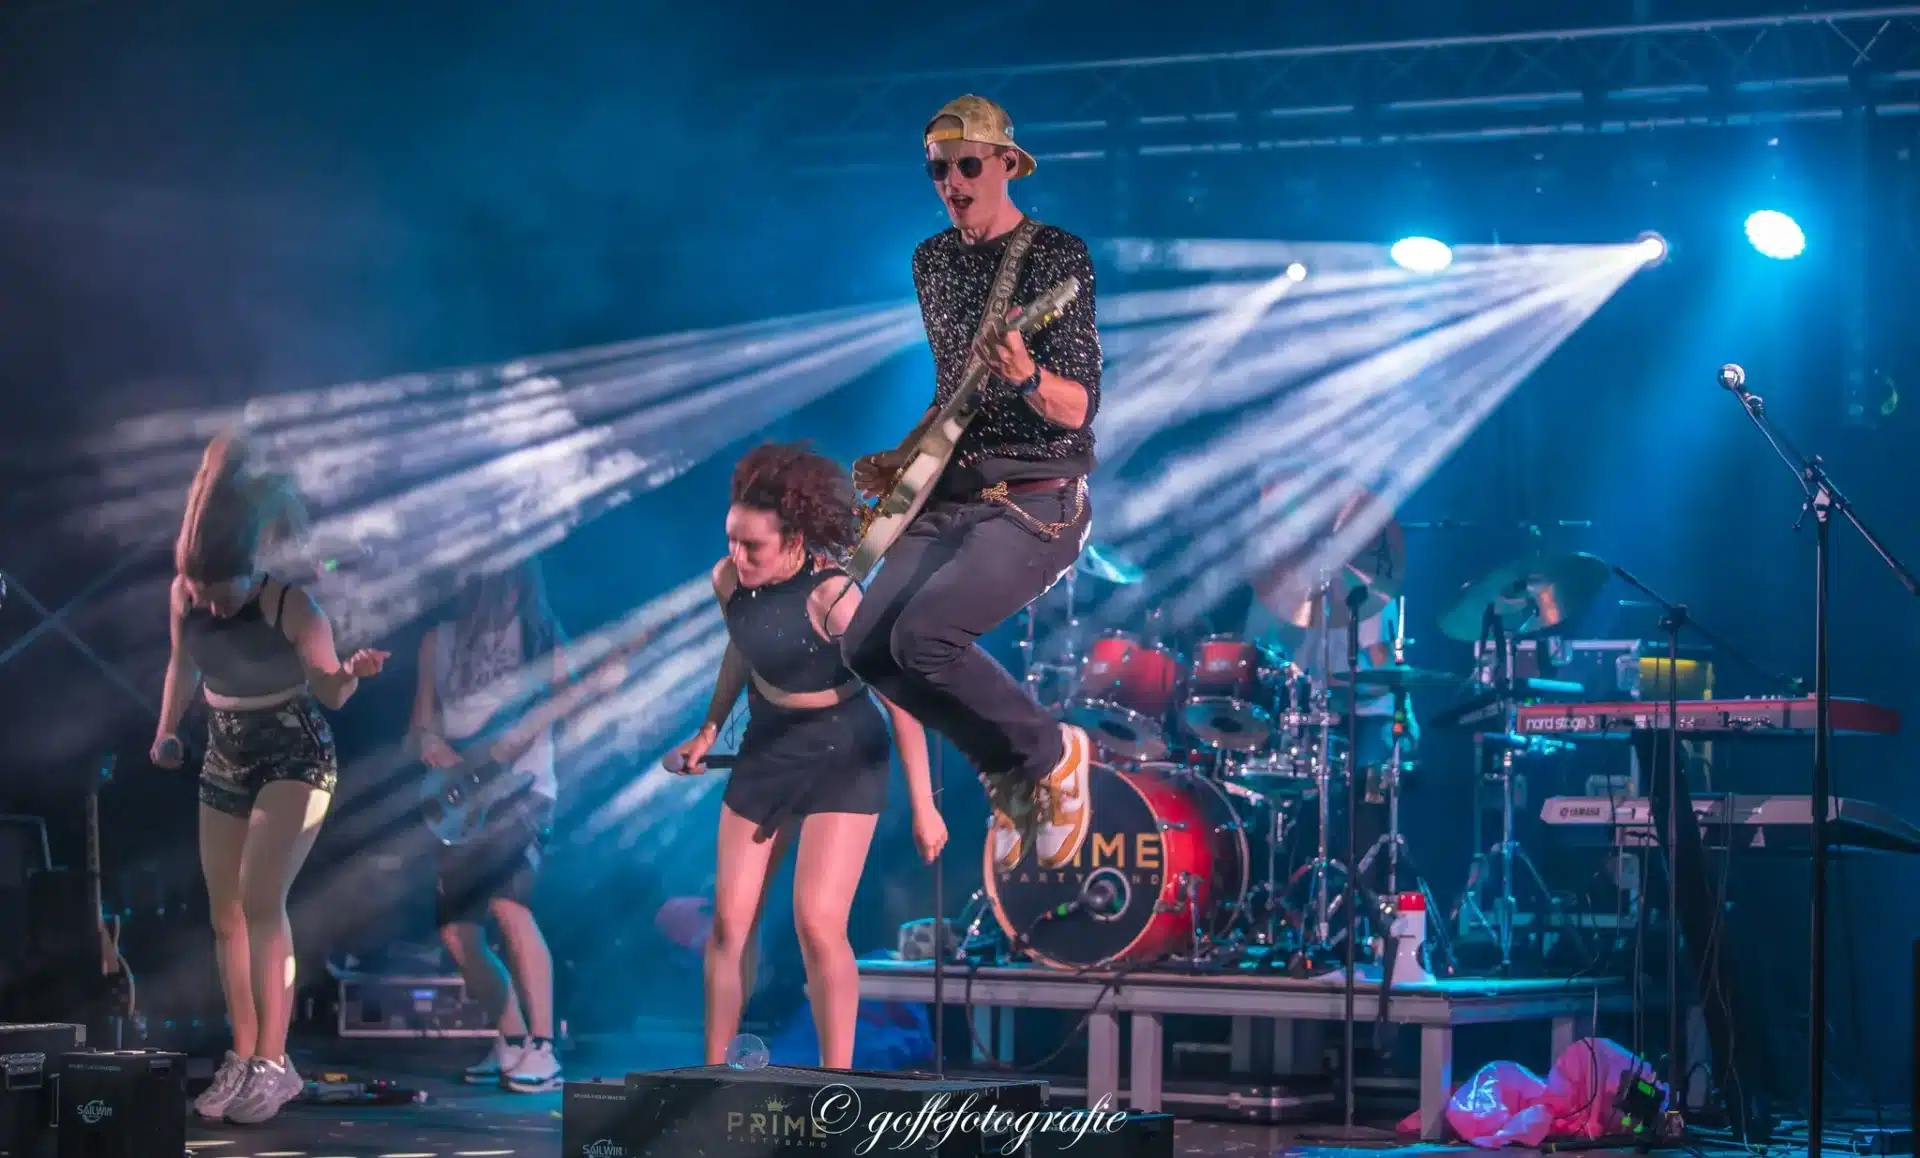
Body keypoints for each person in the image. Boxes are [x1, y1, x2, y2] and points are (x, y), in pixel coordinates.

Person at [842, 94, 1101, 877]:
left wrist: (1027, 377)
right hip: (951, 491)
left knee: (924, 638)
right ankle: (1005, 767)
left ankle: (1049, 754)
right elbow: (955, 389)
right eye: (938, 170)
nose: (952, 182)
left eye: (967, 165)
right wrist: (901, 458)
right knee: (867, 648)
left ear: (1006, 165)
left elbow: (1079, 406)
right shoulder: (933, 261)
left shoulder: (1056, 255)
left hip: (1035, 500)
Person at [674, 442, 947, 1070]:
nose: (738, 557)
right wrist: (710, 729)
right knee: (730, 923)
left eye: (754, 546)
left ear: (794, 540)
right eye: (732, 541)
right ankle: (713, 1075)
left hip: (843, 753)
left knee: (817, 923)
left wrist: (925, 807)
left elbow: (902, 704)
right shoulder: (727, 579)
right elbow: (743, 649)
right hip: (768, 748)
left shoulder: (833, 597)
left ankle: (837, 1082)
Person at [150, 433, 387, 1125]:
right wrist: (166, 730)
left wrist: (352, 673)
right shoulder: (185, 596)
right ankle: (244, 1055)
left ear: (248, 573)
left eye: (221, 595)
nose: (211, 607)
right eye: (201, 594)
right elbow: (183, 665)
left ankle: (275, 1063)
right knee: (224, 915)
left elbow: (331, 694)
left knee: (260, 900)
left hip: (296, 758)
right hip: (224, 756)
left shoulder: (293, 608)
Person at [409, 560, 568, 1092]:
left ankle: (543, 1048)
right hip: (459, 801)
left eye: (513, 582)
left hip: (522, 792)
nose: (502, 593)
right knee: (458, 931)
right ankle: (512, 1039)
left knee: (509, 907)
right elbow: (418, 726)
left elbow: (567, 703)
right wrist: (429, 744)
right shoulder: (438, 641)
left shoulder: (541, 636)